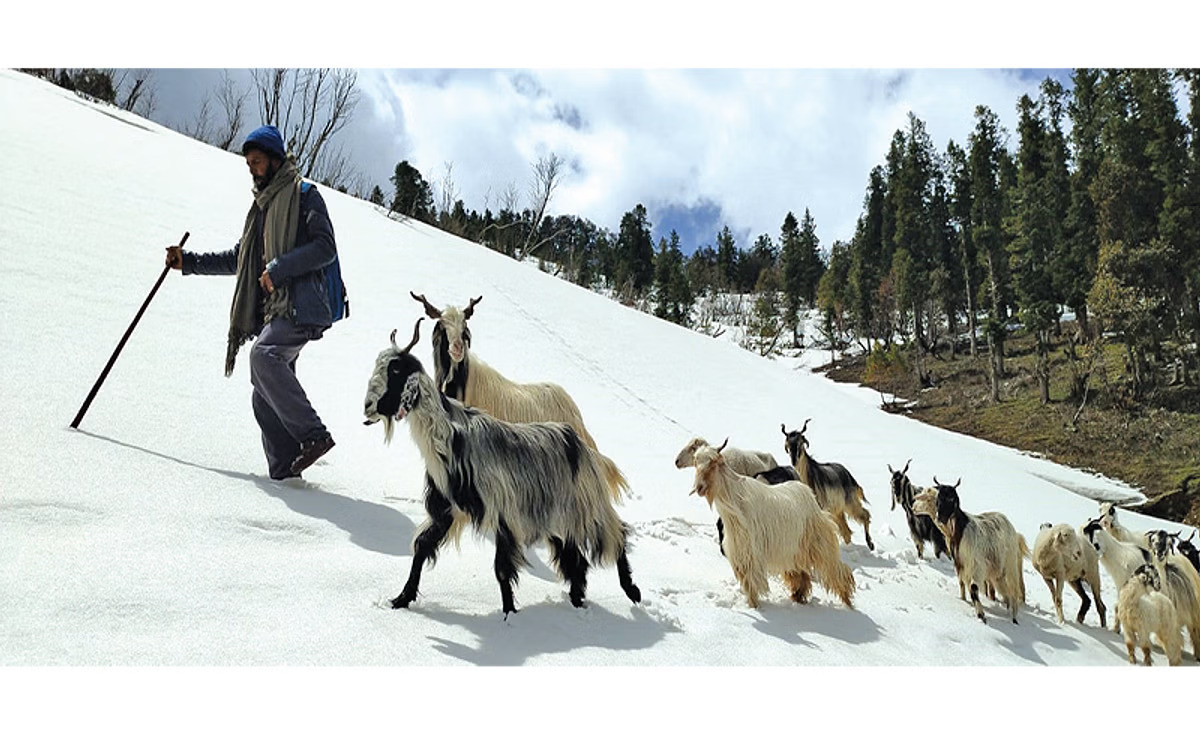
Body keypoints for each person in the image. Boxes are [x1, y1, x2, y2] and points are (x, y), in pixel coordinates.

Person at [166, 125, 337, 480]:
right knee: (263, 393)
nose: (253, 170)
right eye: (249, 165)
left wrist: (280, 267)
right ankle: (285, 474)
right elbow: (241, 259)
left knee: (264, 356)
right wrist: (191, 262)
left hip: (301, 306)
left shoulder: (305, 196)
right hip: (274, 310)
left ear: (276, 160)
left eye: (257, 162)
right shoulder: (261, 210)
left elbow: (325, 248)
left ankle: (314, 435)